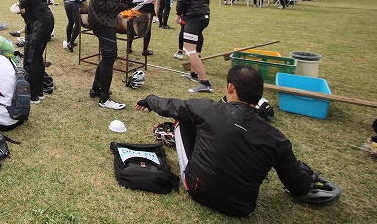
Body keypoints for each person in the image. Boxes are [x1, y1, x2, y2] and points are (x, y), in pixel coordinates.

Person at [135, 65, 315, 217]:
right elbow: (298, 186)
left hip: (199, 191)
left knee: (183, 117)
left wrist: (149, 100)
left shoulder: (207, 108)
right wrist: (305, 177)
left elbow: (170, 105)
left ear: (230, 87)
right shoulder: (277, 139)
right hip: (243, 208)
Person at [0, 0, 54, 104]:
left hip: (38, 22)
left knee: (29, 59)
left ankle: (32, 95)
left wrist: (20, 5)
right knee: (36, 58)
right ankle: (38, 92)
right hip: (46, 19)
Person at [87, 0, 136, 110]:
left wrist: (122, 1)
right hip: (101, 21)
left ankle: (96, 89)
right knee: (109, 57)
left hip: (106, 19)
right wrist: (123, 5)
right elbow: (99, 3)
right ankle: (104, 98)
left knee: (107, 56)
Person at [175, 0, 213, 93]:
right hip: (204, 16)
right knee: (195, 46)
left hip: (193, 17)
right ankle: (193, 73)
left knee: (189, 49)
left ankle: (205, 82)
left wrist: (179, 14)